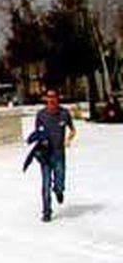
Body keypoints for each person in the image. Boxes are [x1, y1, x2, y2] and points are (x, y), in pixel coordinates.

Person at [34, 87, 77, 222]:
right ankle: (47, 211)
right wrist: (41, 143)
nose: (51, 99)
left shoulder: (64, 113)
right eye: (49, 97)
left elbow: (73, 130)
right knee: (45, 184)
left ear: (58, 98)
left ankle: (59, 190)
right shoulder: (41, 115)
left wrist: (68, 140)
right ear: (46, 99)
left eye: (54, 97)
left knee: (59, 180)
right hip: (45, 155)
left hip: (59, 154)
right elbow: (37, 134)